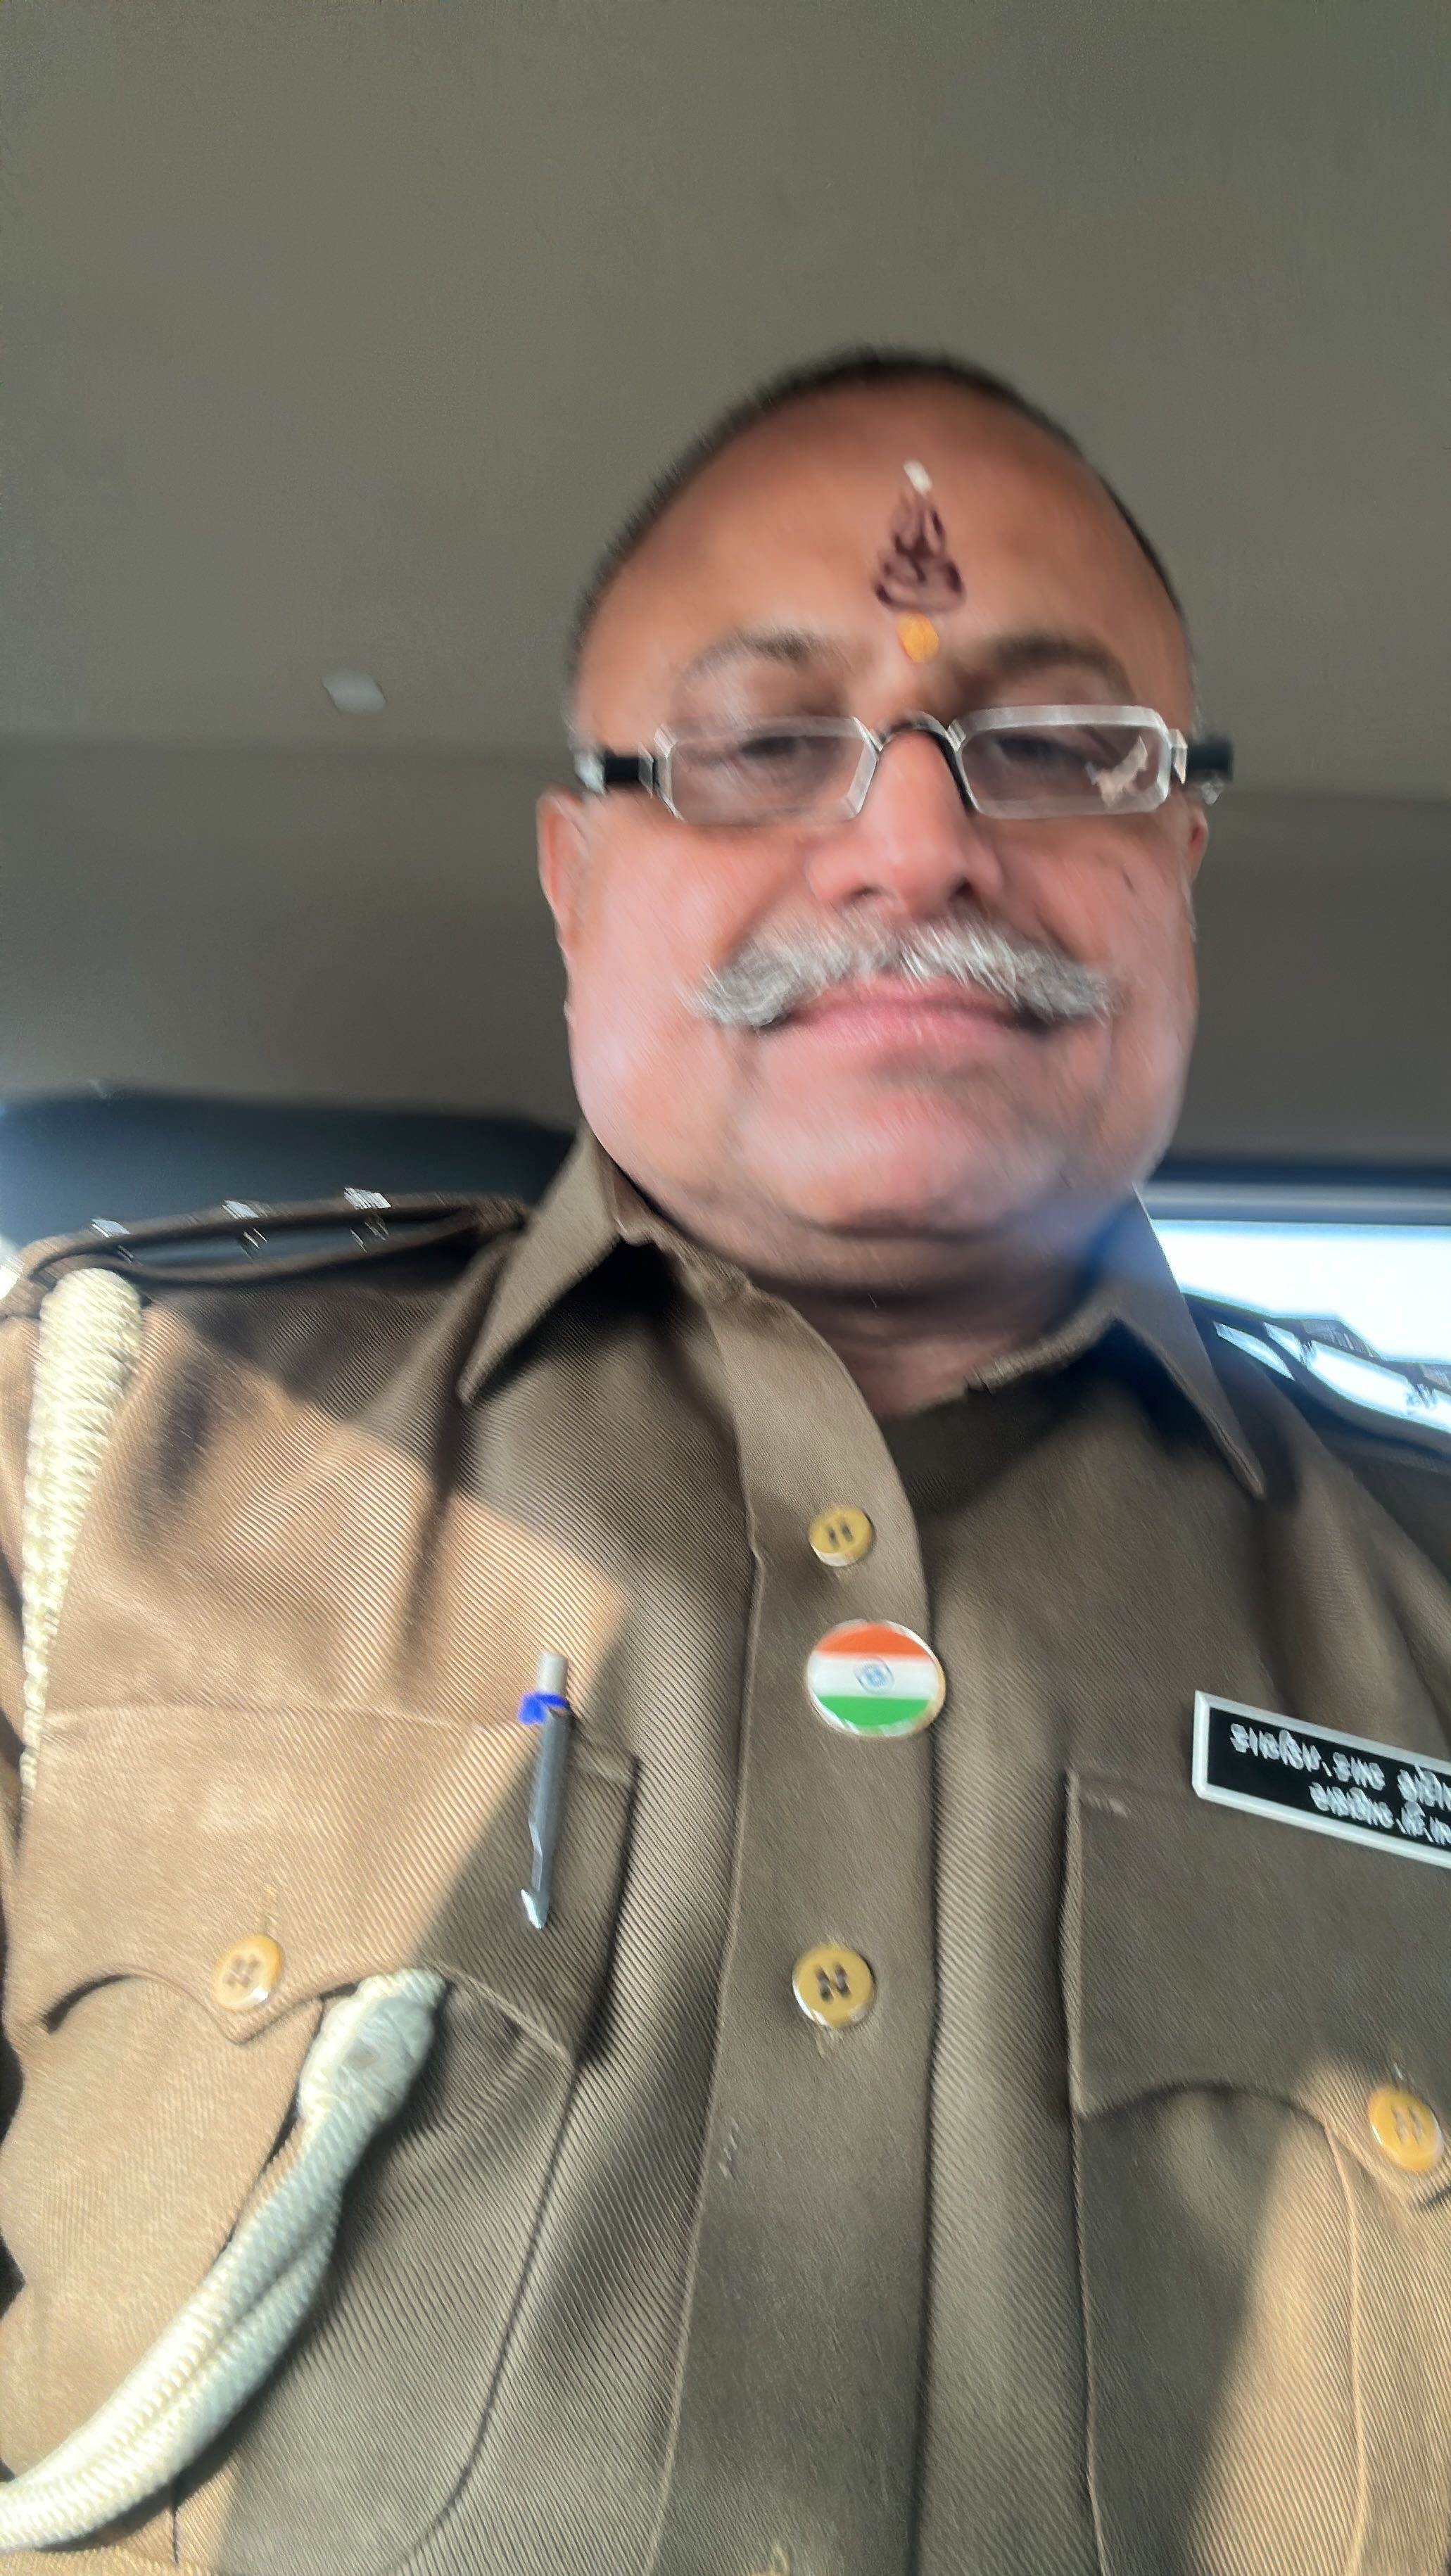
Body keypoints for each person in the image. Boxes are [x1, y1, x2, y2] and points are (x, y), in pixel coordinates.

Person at [3, 348, 1451, 2576]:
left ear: (1178, 859)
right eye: (765, 746)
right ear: (578, 879)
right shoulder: (80, 1464)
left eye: (1061, 749)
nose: (918, 841)